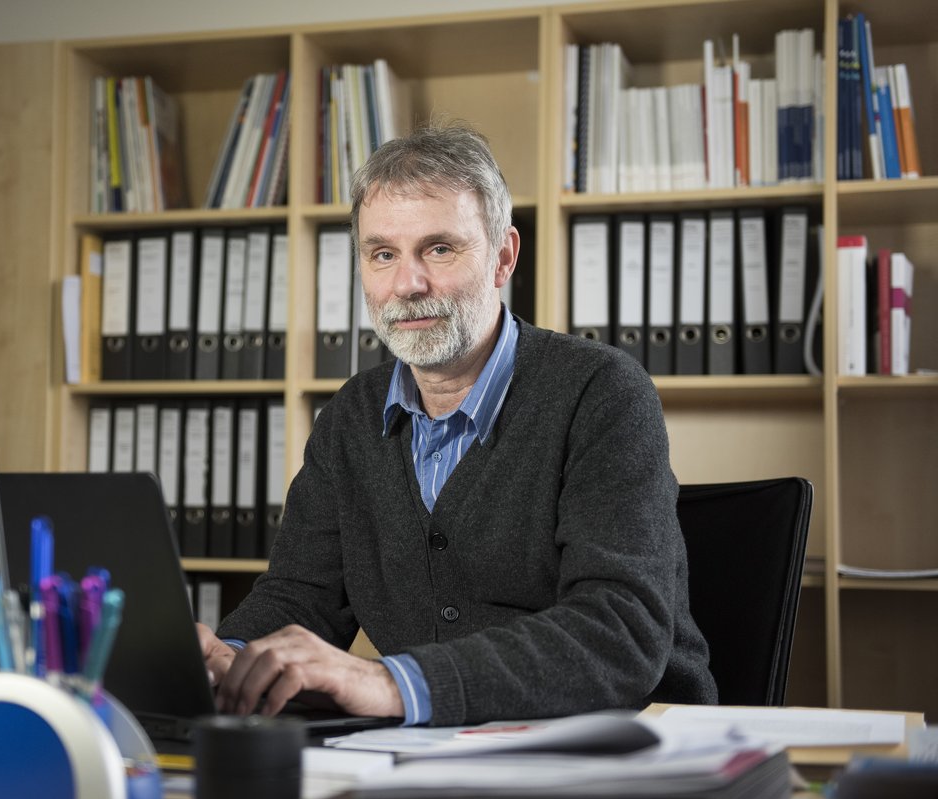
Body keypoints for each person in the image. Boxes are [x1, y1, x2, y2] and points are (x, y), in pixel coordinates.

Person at [197, 122, 718, 727]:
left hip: (629, 746)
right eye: (382, 254)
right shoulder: (350, 419)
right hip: (441, 753)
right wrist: (228, 660)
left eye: (439, 249)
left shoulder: (600, 392)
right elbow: (303, 597)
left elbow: (619, 629)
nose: (407, 284)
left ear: (503, 257)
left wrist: (391, 683)